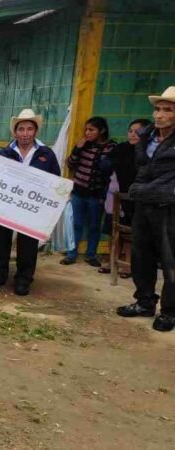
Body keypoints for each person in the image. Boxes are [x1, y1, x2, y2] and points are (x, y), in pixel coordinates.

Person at [116, 86, 175, 332]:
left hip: (168, 207)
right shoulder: (147, 137)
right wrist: (141, 189)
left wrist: (143, 189)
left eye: (167, 110)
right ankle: (144, 301)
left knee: (170, 261)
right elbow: (142, 170)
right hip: (144, 205)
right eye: (157, 109)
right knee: (141, 255)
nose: (159, 115)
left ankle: (170, 312)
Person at [0, 109, 60, 296]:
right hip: (5, 204)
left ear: (35, 131)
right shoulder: (5, 153)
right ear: (15, 132)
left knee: (28, 243)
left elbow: (55, 180)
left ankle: (23, 280)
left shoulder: (46, 154)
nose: (25, 133)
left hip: (31, 207)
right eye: (21, 129)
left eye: (29, 129)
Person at [98, 118, 150, 276]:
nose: (133, 134)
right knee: (112, 230)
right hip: (114, 196)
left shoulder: (148, 151)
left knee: (131, 231)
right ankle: (112, 260)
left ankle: (128, 263)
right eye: (130, 131)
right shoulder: (120, 148)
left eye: (137, 132)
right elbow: (106, 167)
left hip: (135, 198)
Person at [61, 116, 116, 266]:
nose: (87, 133)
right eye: (86, 129)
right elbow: (70, 163)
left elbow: (111, 171)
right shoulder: (84, 145)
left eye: (91, 130)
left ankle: (91, 255)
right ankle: (71, 254)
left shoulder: (111, 148)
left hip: (97, 195)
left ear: (102, 130)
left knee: (94, 225)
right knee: (76, 224)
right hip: (78, 192)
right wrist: (77, 148)